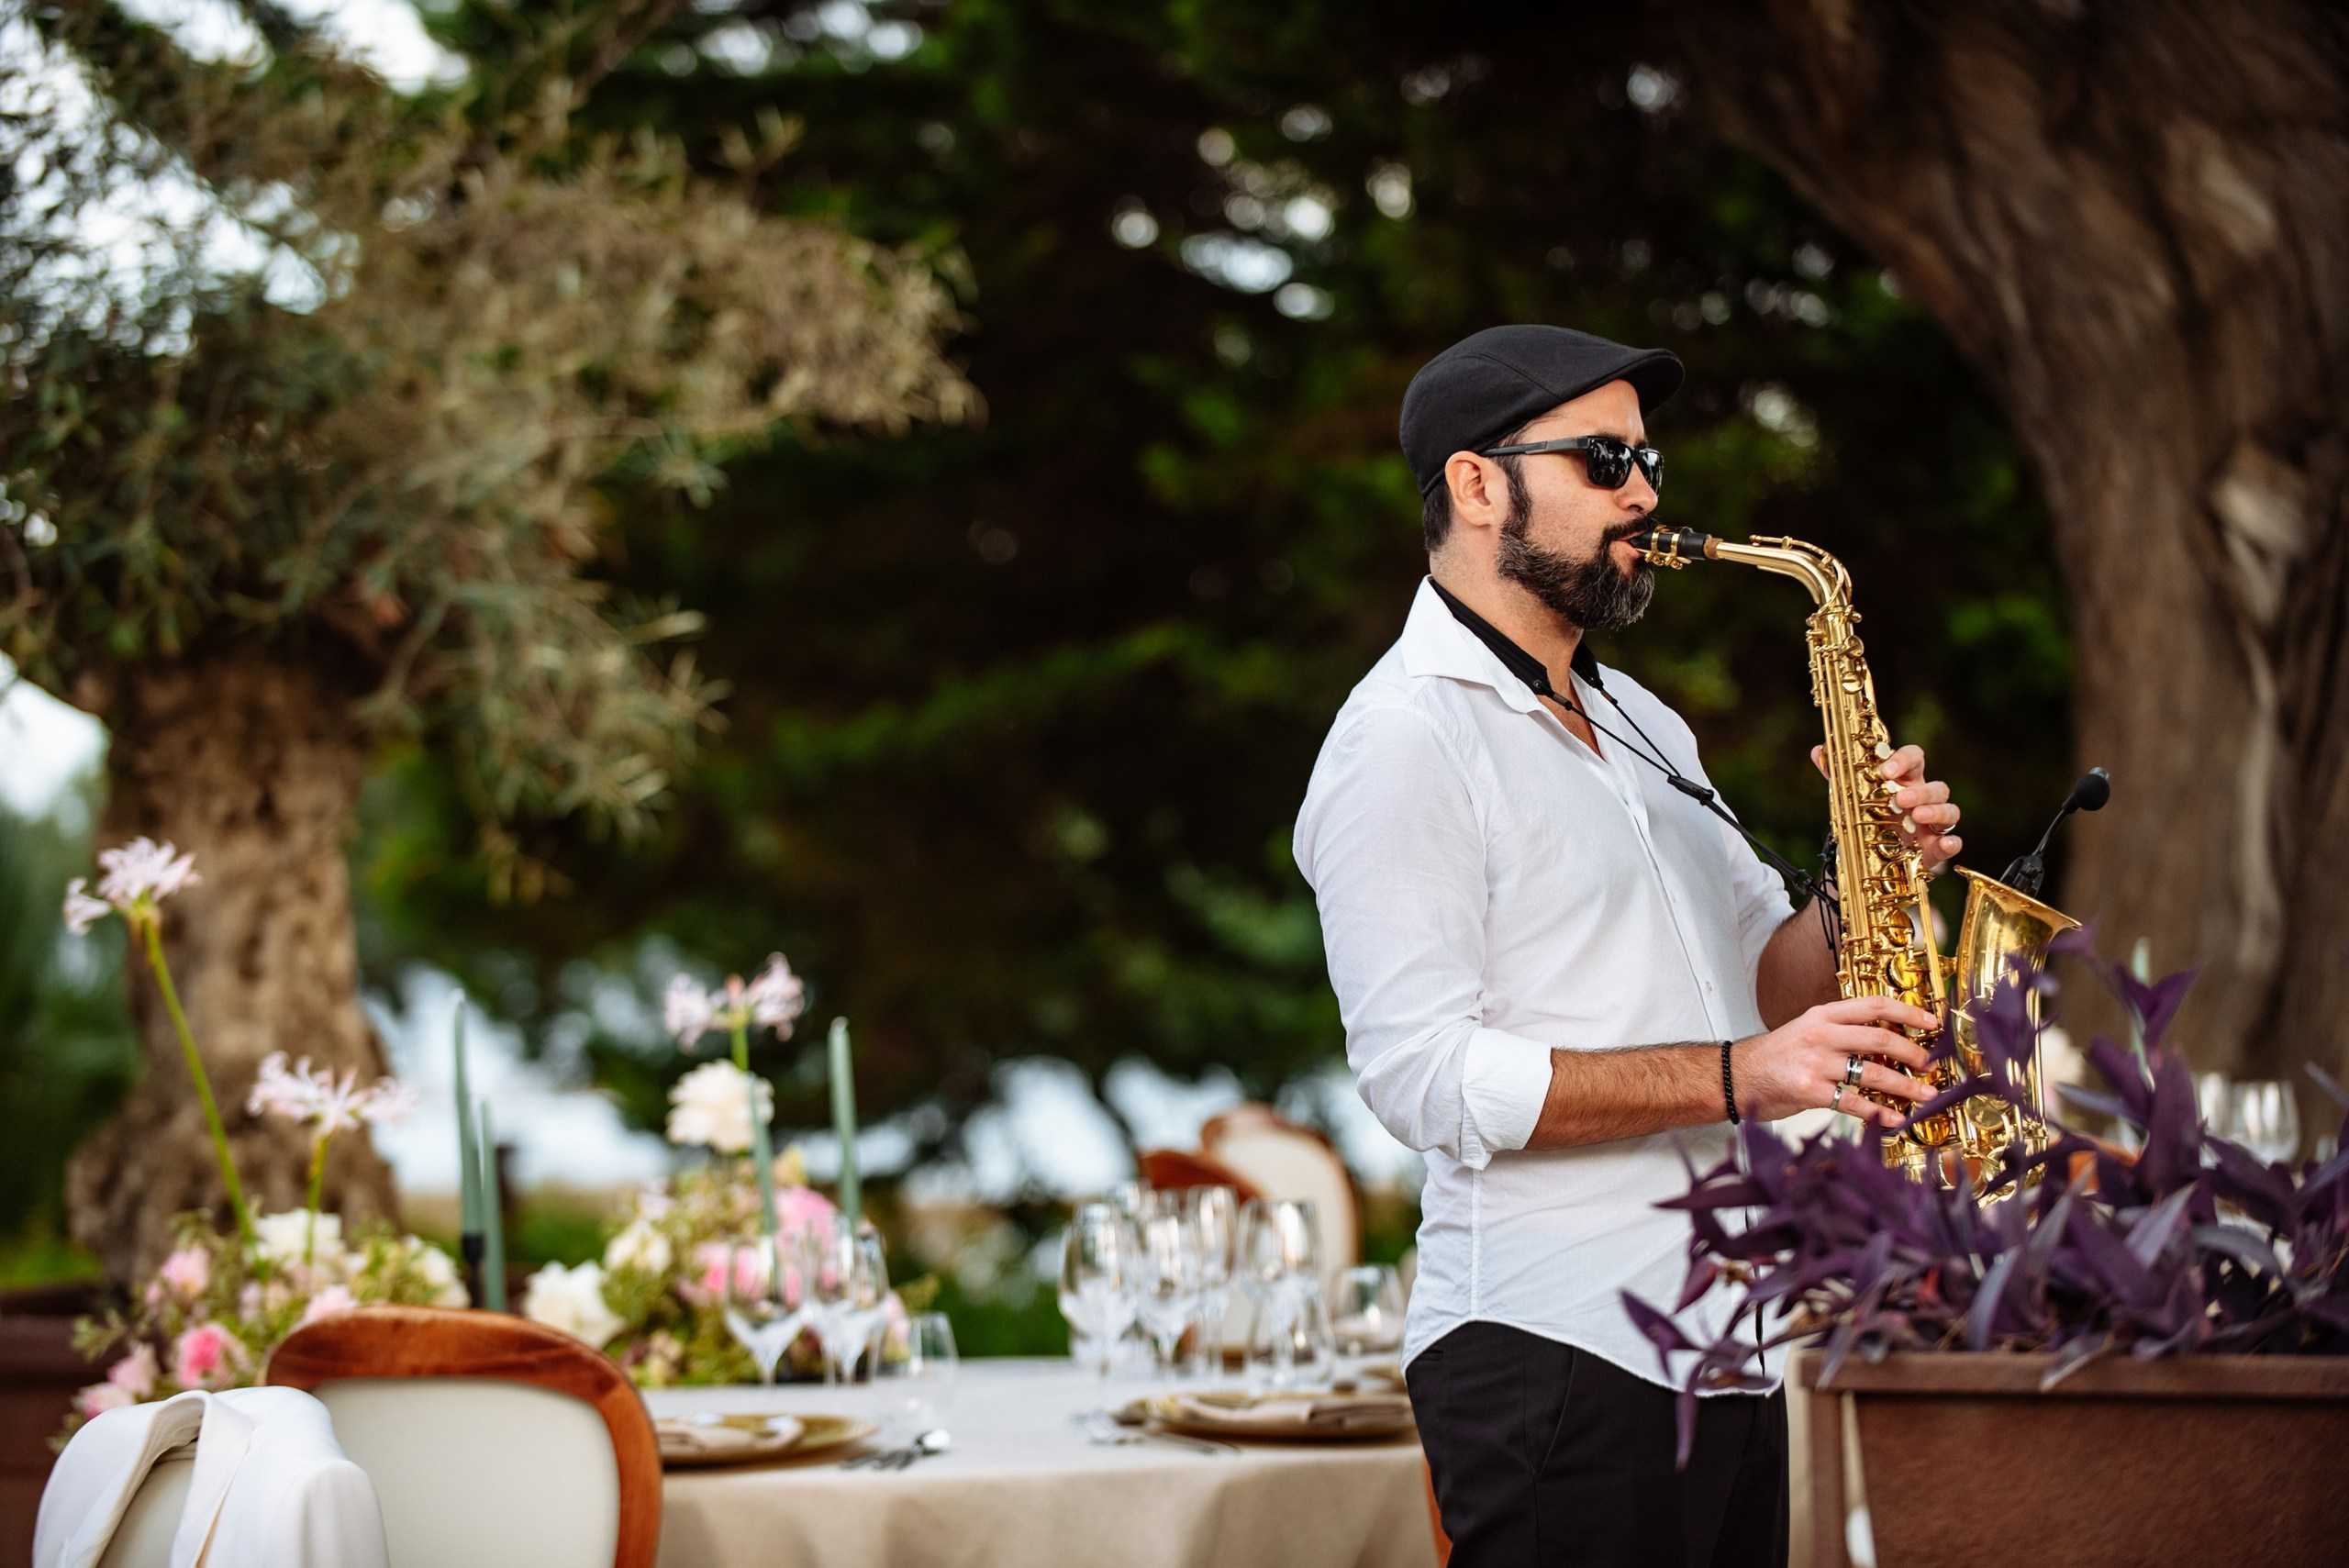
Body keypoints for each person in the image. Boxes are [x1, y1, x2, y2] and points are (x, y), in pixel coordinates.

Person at [1293, 326, 1964, 1567]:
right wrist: (1736, 1075)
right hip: (1557, 1351)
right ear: (1478, 482)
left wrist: (1865, 874)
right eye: (1605, 459)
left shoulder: (1640, 715)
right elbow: (1424, 1078)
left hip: (1731, 1342)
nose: (1646, 491)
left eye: (1645, 456)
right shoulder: (1403, 738)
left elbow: (1764, 969)